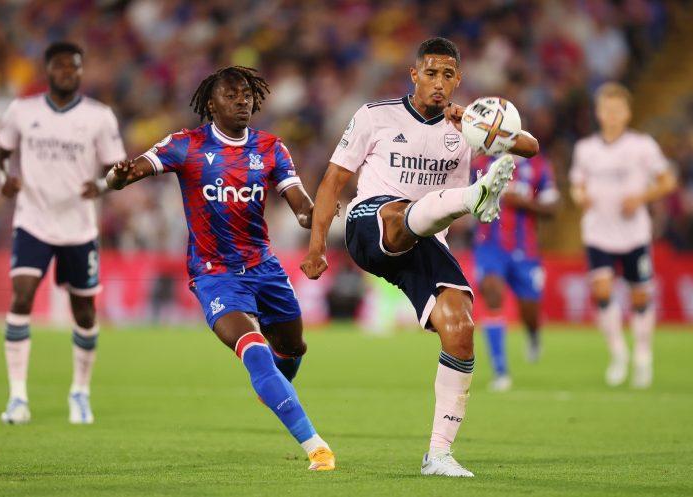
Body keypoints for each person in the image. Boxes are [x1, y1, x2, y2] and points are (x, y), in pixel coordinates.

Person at [301, 37, 539, 477]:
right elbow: (333, 181)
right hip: (370, 225)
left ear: (458, 81)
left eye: (448, 75)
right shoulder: (374, 116)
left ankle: (439, 455)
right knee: (398, 214)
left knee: (461, 328)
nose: (439, 82)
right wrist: (317, 248)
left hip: (427, 239)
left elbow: (529, 147)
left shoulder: (467, 127)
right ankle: (473, 197)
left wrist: (470, 119)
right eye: (431, 72)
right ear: (414, 75)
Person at [106, 66, 335, 471]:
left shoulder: (270, 147)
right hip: (214, 274)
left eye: (247, 94)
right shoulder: (186, 145)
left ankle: (274, 389)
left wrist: (313, 222)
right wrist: (119, 177)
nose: (242, 100)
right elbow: (131, 170)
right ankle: (316, 446)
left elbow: (299, 203)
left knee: (293, 348)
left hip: (265, 268)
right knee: (255, 352)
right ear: (211, 104)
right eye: (232, 95)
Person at [0, 41, 126, 425]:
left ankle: (80, 392)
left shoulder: (99, 117)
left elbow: (119, 170)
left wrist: (101, 186)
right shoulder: (22, 110)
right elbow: (1, 154)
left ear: (82, 72)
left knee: (83, 310)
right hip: (32, 221)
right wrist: (5, 179)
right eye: (61, 66)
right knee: (21, 297)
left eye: (74, 67)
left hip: (79, 226)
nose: (67, 72)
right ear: (48, 69)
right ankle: (17, 397)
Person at [570, 82, 676, 388]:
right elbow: (577, 186)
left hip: (633, 233)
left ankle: (643, 354)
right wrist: (581, 197)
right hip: (598, 232)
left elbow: (667, 181)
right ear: (599, 113)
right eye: (607, 109)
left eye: (618, 109)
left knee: (640, 297)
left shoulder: (642, 146)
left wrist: (641, 198)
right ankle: (618, 354)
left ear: (627, 113)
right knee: (602, 291)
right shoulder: (585, 149)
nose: (612, 115)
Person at [472, 153, 559, 392]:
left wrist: (523, 203)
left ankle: (533, 334)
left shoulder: (538, 166)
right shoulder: (480, 164)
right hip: (489, 246)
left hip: (525, 249)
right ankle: (500, 371)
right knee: (491, 294)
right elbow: (463, 199)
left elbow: (552, 208)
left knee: (529, 311)